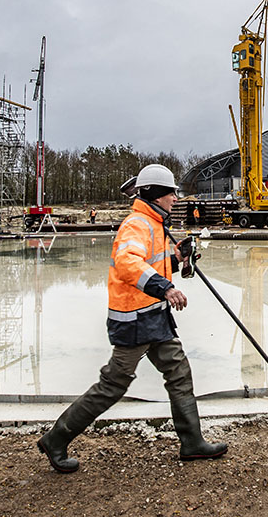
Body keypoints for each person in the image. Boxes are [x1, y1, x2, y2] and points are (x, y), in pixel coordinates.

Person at [37, 163, 227, 473]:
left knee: (179, 373)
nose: (175, 199)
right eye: (171, 194)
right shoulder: (137, 224)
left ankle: (192, 442)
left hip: (154, 320)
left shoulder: (153, 223)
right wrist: (165, 287)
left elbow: (151, 264)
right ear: (155, 195)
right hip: (135, 320)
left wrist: (176, 259)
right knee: (113, 384)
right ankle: (56, 439)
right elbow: (128, 263)